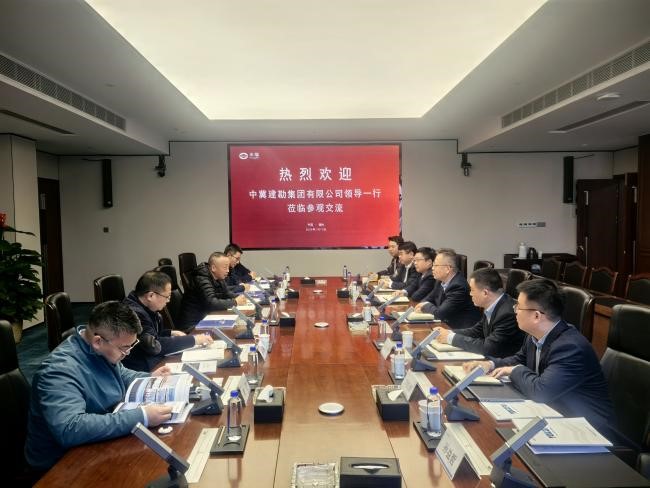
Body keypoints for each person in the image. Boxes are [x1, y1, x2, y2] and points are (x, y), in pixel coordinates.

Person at [25, 301, 173, 471]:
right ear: (97, 341)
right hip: (61, 464)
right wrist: (142, 416)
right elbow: (70, 428)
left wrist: (150, 377)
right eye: (124, 348)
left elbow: (121, 374)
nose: (127, 353)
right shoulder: (58, 371)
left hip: (94, 441)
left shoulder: (99, 348)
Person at [464, 279, 614, 434]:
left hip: (587, 429)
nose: (514, 311)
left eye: (518, 307)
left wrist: (515, 370)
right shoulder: (534, 335)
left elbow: (541, 391)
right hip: (553, 413)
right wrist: (491, 364)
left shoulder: (570, 347)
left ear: (536, 316)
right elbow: (519, 359)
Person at [122, 271, 212, 371]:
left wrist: (170, 333)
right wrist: (194, 340)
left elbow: (152, 334)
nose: (168, 300)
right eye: (167, 296)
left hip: (151, 361)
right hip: (143, 368)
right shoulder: (134, 314)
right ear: (151, 296)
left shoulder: (145, 307)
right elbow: (154, 346)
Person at [434, 267, 524, 357]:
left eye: (472, 290)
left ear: (485, 293)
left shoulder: (507, 314)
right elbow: (477, 331)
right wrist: (448, 333)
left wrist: (451, 338)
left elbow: (488, 348)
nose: (470, 294)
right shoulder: (493, 305)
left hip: (504, 362)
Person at [414, 248, 481, 328]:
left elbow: (439, 314)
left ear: (447, 269)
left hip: (460, 329)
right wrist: (424, 304)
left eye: (435, 265)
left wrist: (425, 306)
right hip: (445, 324)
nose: (432, 268)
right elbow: (429, 299)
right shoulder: (440, 281)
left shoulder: (458, 286)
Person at [179, 252, 247, 329]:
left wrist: (240, 298)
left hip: (205, 317)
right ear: (213, 268)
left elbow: (226, 293)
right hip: (193, 325)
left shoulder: (218, 276)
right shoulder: (201, 278)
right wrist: (235, 302)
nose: (228, 271)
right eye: (225, 267)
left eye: (228, 267)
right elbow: (211, 303)